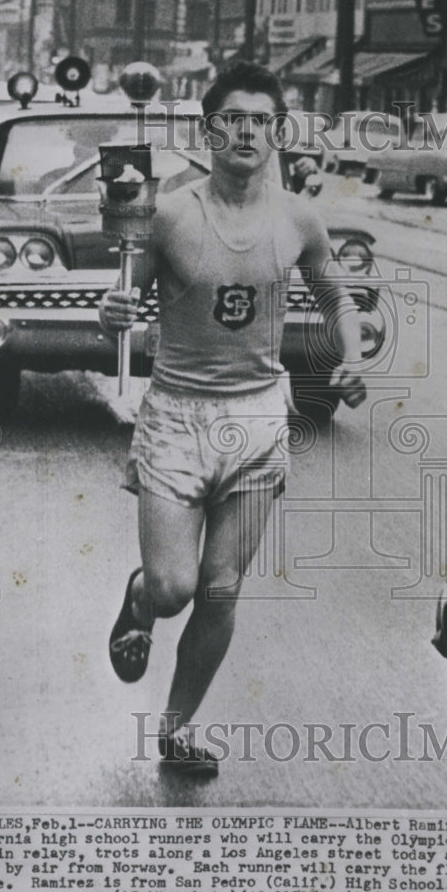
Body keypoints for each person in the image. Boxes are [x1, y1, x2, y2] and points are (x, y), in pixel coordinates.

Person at [99, 61, 364, 776]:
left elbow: (339, 300)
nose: (246, 131)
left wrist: (351, 356)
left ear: (277, 131)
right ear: (207, 130)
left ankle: (176, 729)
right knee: (173, 587)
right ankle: (138, 600)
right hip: (177, 418)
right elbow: (119, 300)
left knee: (220, 588)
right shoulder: (171, 214)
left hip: (256, 419)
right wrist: (113, 309)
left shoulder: (299, 218)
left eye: (260, 120)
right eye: (231, 119)